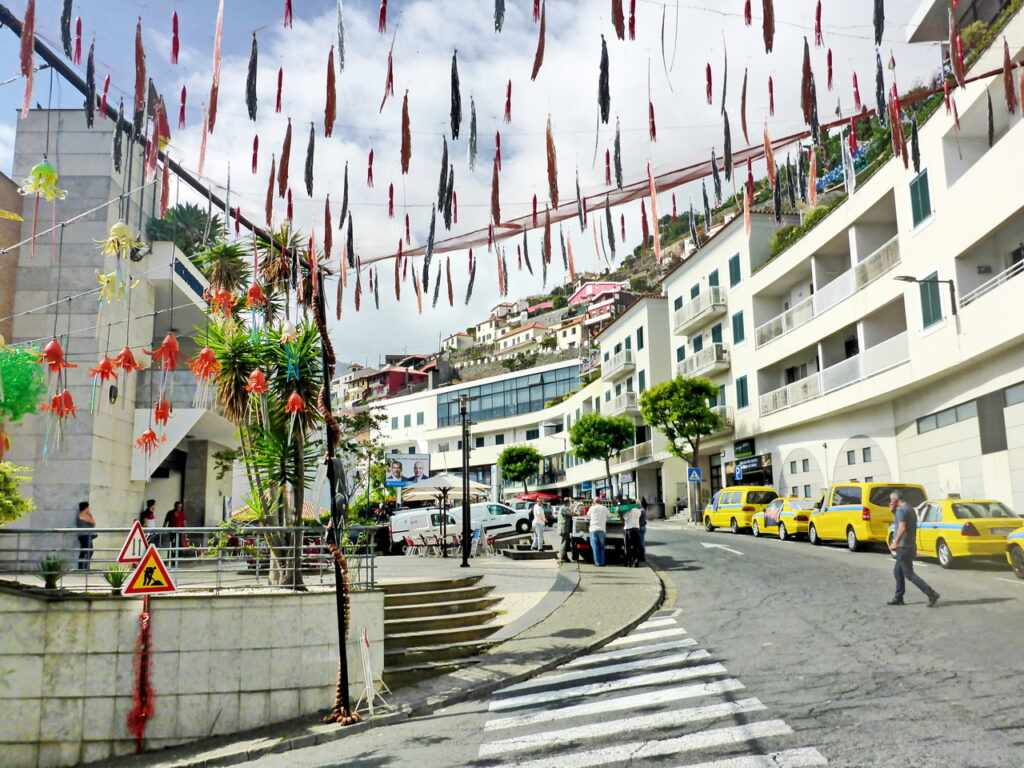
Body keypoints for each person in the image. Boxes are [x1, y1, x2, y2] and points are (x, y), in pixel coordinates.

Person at [887, 491, 940, 607]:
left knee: (908, 573)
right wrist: (893, 511)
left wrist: (895, 542)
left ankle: (931, 593)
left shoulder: (901, 510)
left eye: (891, 500)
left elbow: (902, 528)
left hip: (903, 546)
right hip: (910, 545)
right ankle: (898, 597)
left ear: (895, 500)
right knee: (898, 571)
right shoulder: (909, 509)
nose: (890, 503)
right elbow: (902, 522)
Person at [587, 496, 610, 566]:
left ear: (594, 502)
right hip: (602, 529)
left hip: (593, 529)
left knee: (595, 547)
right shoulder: (604, 508)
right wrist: (605, 519)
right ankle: (602, 562)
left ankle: (597, 562)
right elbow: (609, 516)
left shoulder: (592, 508)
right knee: (602, 547)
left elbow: (588, 515)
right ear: (600, 502)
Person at [75, 501, 96, 570]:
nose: (89, 509)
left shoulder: (84, 515)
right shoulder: (82, 515)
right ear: (85, 508)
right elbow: (93, 522)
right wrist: (89, 514)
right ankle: (84, 567)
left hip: (86, 536)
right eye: (88, 507)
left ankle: (82, 567)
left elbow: (93, 523)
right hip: (84, 536)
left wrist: (90, 515)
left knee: (84, 551)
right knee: (89, 551)